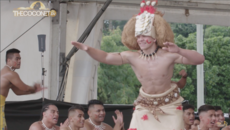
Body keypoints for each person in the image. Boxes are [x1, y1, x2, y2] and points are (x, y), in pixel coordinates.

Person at [72, 0, 204, 129]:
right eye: (138, 36)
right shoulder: (132, 56)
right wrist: (87, 49)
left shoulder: (169, 55)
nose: (140, 39)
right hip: (144, 105)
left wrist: (180, 50)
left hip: (170, 105)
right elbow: (106, 57)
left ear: (154, 38)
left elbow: (199, 59)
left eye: (144, 35)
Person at [0, 48, 44, 130]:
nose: (20, 61)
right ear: (8, 60)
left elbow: (17, 92)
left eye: (20, 59)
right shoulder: (11, 74)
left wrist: (33, 91)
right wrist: (34, 88)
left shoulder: (5, 72)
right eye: (17, 59)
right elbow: (25, 88)